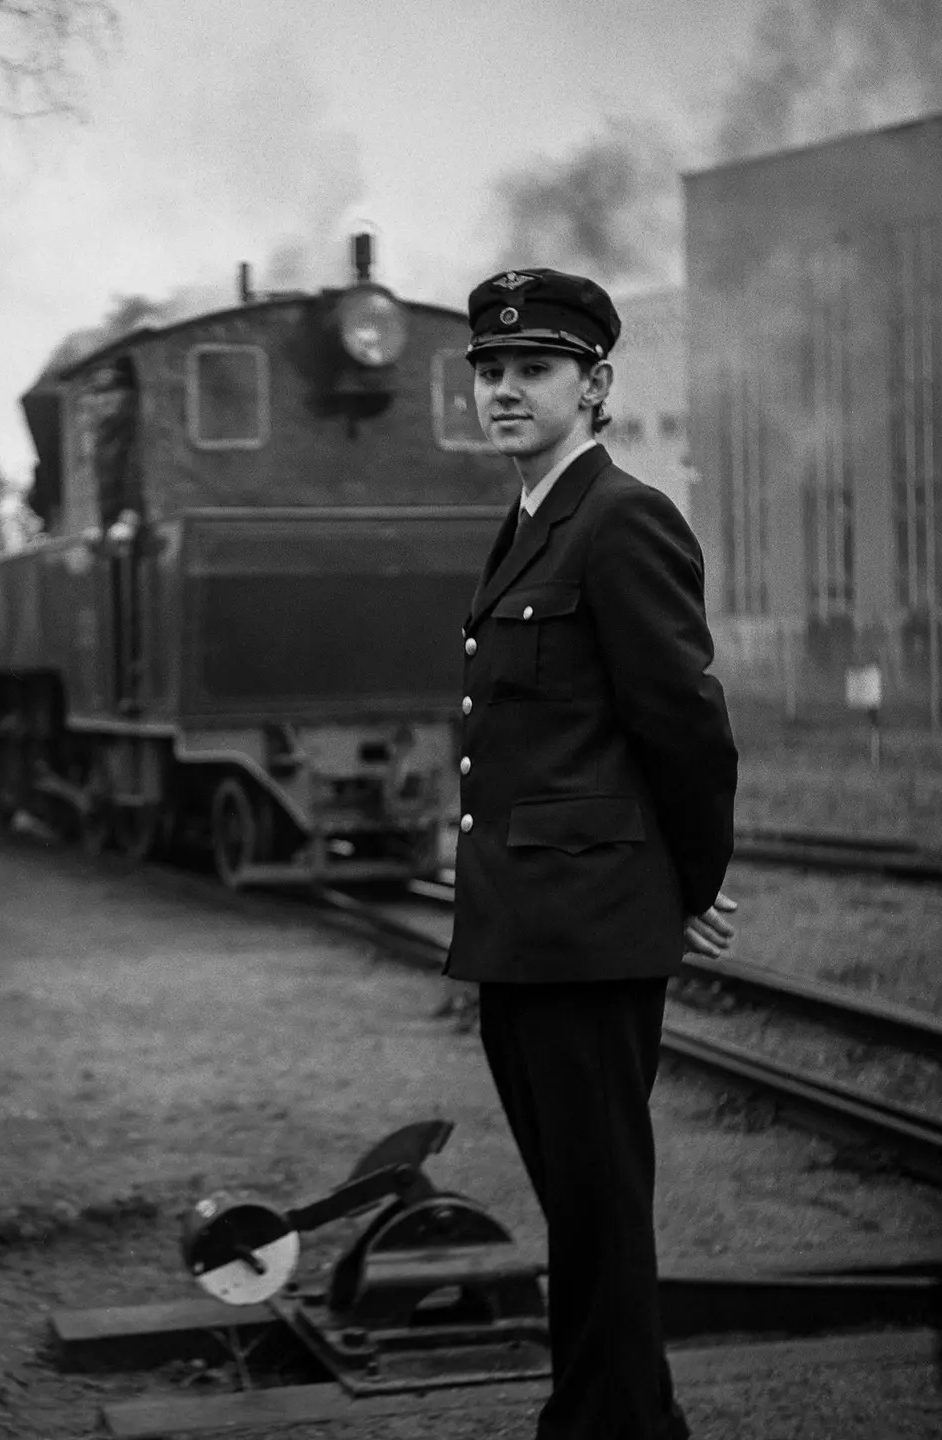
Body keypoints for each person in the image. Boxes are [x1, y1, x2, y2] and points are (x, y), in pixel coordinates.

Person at [444, 267, 739, 1440]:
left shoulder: (622, 517)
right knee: (581, 1211)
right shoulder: (529, 519)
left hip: (587, 931)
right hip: (525, 930)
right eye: (491, 371)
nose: (506, 390)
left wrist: (688, 881)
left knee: (603, 1211)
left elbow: (685, 721)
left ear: (597, 383)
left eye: (536, 369)